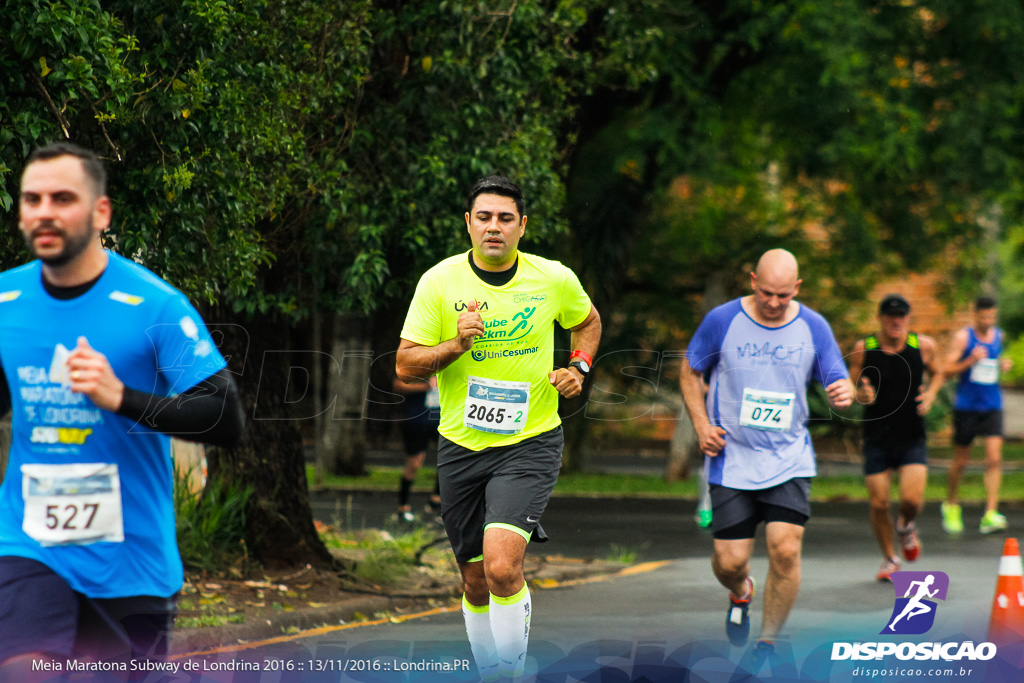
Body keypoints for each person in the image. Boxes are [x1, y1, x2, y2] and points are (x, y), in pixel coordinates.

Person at [0, 143, 244, 673]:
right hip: (28, 546)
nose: (44, 212)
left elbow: (226, 417)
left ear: (100, 212)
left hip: (131, 562)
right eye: (32, 199)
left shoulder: (155, 304)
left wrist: (121, 398)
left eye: (62, 198)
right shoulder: (5, 301)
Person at [395, 175, 600, 681]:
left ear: (522, 226)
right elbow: (404, 365)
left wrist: (578, 368)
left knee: (502, 567)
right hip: (461, 445)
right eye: (484, 217)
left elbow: (588, 321)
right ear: (468, 223)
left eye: (505, 218)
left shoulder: (553, 278)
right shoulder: (439, 282)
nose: (494, 227)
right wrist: (453, 347)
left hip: (529, 442)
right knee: (473, 579)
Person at [680, 249, 852, 661]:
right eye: (766, 293)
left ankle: (767, 642)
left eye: (782, 295)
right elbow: (690, 370)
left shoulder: (813, 325)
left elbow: (836, 375)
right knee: (729, 561)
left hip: (788, 457)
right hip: (732, 457)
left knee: (786, 549)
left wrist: (842, 390)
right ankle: (741, 592)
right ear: (753, 280)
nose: (774, 303)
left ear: (797, 288)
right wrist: (702, 425)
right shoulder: (723, 320)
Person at [847, 294, 943, 582]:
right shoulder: (865, 348)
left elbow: (938, 373)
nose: (896, 321)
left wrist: (932, 394)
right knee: (878, 504)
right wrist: (860, 394)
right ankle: (890, 558)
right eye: (890, 316)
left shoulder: (922, 346)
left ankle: (905, 526)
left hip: (912, 436)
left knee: (912, 500)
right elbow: (851, 383)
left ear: (908, 318)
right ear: (880, 318)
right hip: (877, 437)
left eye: (901, 315)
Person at [941, 296, 1012, 535]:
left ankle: (990, 513)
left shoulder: (999, 336)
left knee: (994, 458)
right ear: (975, 315)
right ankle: (951, 504)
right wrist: (970, 360)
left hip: (992, 404)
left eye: (992, 317)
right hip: (967, 406)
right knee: (961, 460)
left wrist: (1003, 365)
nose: (988, 321)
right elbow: (947, 370)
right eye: (984, 317)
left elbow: (995, 363)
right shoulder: (964, 337)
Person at [392, 375, 442, 524]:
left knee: (447, 459)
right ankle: (403, 505)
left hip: (443, 419)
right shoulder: (419, 362)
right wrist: (424, 386)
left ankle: (436, 501)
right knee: (415, 462)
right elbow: (398, 385)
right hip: (417, 419)